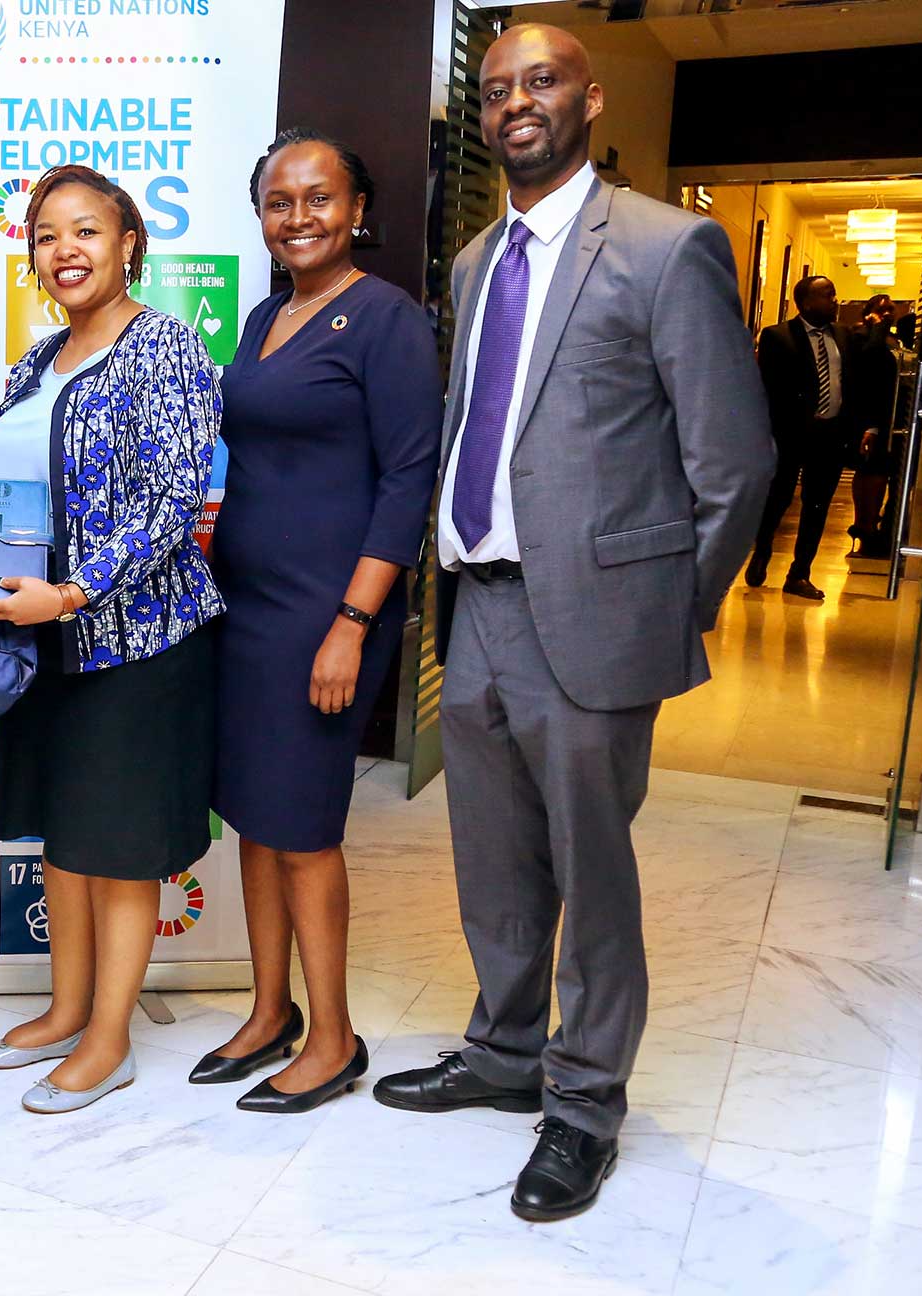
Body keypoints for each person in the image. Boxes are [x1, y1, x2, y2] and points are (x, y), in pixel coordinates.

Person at [372, 24, 773, 1222]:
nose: (516, 105)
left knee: (594, 876)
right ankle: (502, 1054)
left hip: (597, 623)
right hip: (480, 606)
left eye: (540, 82)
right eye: (496, 91)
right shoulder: (475, 259)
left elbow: (735, 466)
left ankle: (585, 1106)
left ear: (589, 98)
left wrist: (659, 615)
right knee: (492, 856)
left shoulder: (664, 247)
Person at [0, 164, 224, 1115]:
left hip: (138, 641)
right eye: (46, 235)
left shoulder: (169, 350)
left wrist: (69, 593)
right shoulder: (37, 361)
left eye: (87, 232)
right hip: (43, 645)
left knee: (115, 846)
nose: (64, 250)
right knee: (64, 839)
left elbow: (170, 505)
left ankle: (108, 1038)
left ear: (129, 245)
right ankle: (65, 1009)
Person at [192, 130, 437, 1112]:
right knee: (254, 817)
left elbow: (409, 476)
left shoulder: (387, 320)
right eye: (279, 202)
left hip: (326, 612)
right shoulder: (263, 318)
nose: (299, 217)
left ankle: (332, 1038)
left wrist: (351, 619)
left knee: (303, 829)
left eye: (319, 198)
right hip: (247, 608)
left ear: (358, 210)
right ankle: (268, 1011)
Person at [745, 275, 856, 599]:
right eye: (827, 295)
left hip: (829, 435)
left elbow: (850, 382)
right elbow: (765, 388)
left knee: (817, 506)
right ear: (806, 302)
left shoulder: (844, 337)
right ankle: (762, 550)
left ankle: (799, 574)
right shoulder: (778, 337)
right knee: (777, 499)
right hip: (790, 434)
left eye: (834, 294)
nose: (835, 300)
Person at [846, 294, 902, 560]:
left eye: (891, 309)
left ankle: (872, 530)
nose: (888, 313)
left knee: (881, 472)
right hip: (869, 416)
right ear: (869, 312)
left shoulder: (894, 339)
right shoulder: (861, 335)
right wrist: (876, 326)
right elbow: (870, 361)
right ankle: (863, 529)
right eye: (882, 309)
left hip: (890, 417)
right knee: (871, 472)